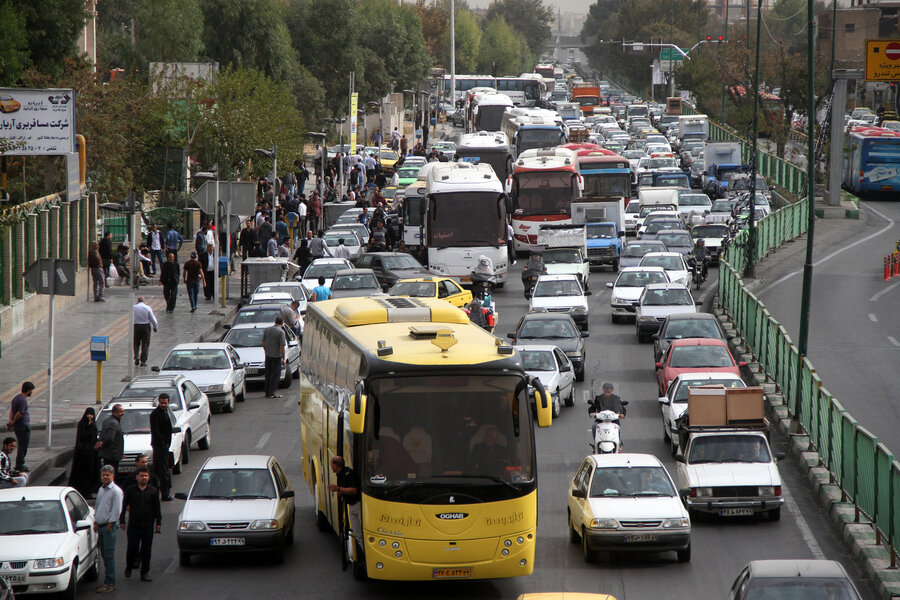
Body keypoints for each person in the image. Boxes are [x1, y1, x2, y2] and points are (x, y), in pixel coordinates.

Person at [119, 467, 161, 582]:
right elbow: (123, 506)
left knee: (146, 549)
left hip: (148, 525)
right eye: (141, 475)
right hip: (133, 525)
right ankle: (129, 566)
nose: (144, 478)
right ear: (137, 477)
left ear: (148, 478)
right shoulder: (130, 490)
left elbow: (157, 508)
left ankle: (145, 572)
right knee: (132, 547)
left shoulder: (153, 491)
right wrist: (122, 520)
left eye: (146, 476)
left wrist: (158, 523)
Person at [94, 465, 123, 593]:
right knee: (104, 555)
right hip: (100, 526)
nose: (105, 477)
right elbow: (98, 506)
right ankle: (108, 580)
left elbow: (117, 510)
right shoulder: (101, 489)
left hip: (109, 527)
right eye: (104, 475)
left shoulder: (116, 491)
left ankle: (110, 583)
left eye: (108, 475)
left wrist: (111, 524)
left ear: (113, 476)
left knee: (109, 555)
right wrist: (96, 521)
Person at [328, 456, 361, 546]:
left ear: (335, 465)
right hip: (351, 505)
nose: (331, 467)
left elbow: (354, 490)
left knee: (360, 534)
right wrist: (341, 491)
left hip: (357, 505)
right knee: (358, 535)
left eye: (331, 464)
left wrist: (338, 488)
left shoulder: (349, 473)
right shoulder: (340, 474)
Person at [68, 407, 100, 497]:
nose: (89, 416)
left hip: (91, 454)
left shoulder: (94, 425)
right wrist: (89, 427)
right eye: (88, 414)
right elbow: (82, 437)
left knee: (90, 473)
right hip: (81, 454)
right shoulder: (82, 424)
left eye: (91, 415)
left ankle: (88, 491)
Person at [149, 394, 173, 501]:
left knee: (161, 470)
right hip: (160, 446)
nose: (163, 405)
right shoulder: (155, 414)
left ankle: (160, 492)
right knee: (162, 471)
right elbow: (156, 431)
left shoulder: (166, 412)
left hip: (164, 446)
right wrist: (163, 444)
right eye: (161, 403)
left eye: (165, 403)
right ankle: (165, 493)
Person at [7, 381, 33, 472]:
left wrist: (11, 421)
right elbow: (19, 413)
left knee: (22, 445)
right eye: (31, 390)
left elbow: (11, 411)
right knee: (23, 446)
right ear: (28, 390)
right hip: (22, 426)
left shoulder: (16, 398)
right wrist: (13, 422)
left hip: (18, 426)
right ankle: (20, 465)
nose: (32, 392)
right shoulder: (22, 400)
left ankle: (20, 464)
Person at [95, 404, 125, 474]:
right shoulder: (114, 423)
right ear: (114, 412)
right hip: (112, 455)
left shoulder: (107, 420)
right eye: (120, 412)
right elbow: (110, 438)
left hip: (108, 454)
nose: (123, 413)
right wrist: (102, 445)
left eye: (123, 411)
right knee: (112, 474)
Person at [262, 317, 286, 398]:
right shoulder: (281, 332)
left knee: (268, 374)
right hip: (276, 356)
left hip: (268, 355)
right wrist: (283, 358)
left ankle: (267, 392)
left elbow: (263, 342)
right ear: (282, 323)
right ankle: (272, 392)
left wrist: (266, 350)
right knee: (275, 375)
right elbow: (282, 347)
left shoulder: (267, 330)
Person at [133, 297, 158, 367]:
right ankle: (143, 361)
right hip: (146, 326)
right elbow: (152, 318)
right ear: (144, 301)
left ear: (137, 301)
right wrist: (155, 326)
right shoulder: (147, 308)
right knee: (145, 344)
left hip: (136, 326)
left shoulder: (134, 307)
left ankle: (136, 356)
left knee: (136, 343)